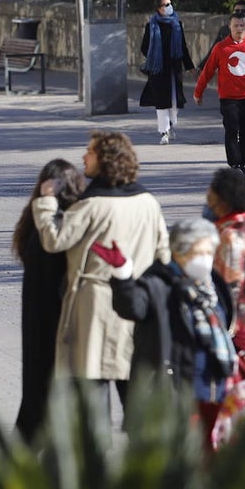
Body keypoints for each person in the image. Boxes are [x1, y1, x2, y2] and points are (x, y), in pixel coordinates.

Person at [31, 130, 170, 417]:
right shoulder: (148, 202)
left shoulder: (91, 205)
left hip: (94, 308)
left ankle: (99, 455)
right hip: (137, 304)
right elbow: (164, 255)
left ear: (105, 160)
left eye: (90, 152)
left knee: (93, 392)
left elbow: (55, 240)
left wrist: (45, 204)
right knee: (134, 391)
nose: (84, 156)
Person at [106, 218, 237, 450]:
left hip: (211, 390)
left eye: (209, 252)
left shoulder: (212, 285)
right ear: (179, 251)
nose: (206, 259)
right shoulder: (157, 283)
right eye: (200, 252)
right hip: (172, 392)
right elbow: (133, 306)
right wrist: (123, 275)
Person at [11, 159, 83, 443]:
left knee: (40, 393)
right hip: (47, 316)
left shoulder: (51, 219)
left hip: (48, 318)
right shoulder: (45, 220)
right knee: (41, 393)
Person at [194, 12, 245, 177]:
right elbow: (207, 71)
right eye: (236, 25)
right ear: (229, 27)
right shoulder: (221, 48)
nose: (239, 29)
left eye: (242, 25)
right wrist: (198, 92)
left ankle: (244, 163)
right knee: (231, 130)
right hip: (228, 98)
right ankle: (234, 164)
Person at [204, 168, 245, 353]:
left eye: (210, 199)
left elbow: (229, 291)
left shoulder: (231, 238)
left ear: (224, 203)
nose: (207, 205)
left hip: (239, 330)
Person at [139, 0, 196, 144]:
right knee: (161, 102)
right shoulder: (151, 25)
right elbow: (144, 47)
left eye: (170, 3)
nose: (170, 6)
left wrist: (189, 66)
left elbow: (183, 47)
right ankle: (163, 131)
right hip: (158, 70)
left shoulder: (177, 24)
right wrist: (154, 56)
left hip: (174, 69)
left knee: (175, 100)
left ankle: (170, 124)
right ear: (159, 8)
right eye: (166, 4)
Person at [198, 0, 245, 69]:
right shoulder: (225, 30)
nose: (239, 13)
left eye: (243, 11)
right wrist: (201, 67)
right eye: (237, 11)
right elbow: (213, 51)